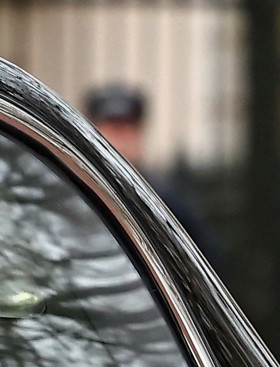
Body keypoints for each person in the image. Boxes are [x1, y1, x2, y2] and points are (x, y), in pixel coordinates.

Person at [85, 84, 225, 273]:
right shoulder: (77, 191)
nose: (121, 139)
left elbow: (206, 261)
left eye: (127, 128)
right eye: (113, 128)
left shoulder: (164, 198)